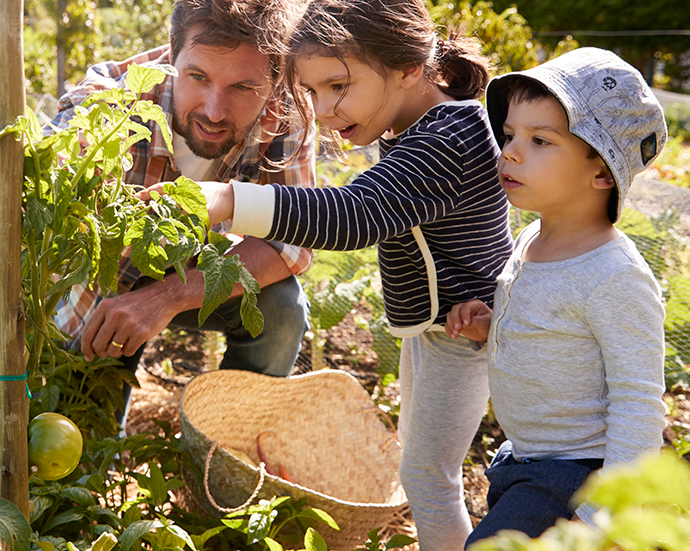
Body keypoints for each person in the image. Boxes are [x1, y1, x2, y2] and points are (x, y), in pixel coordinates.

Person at [145, 0, 515, 547]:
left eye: (337, 86)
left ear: (410, 67)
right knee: (425, 469)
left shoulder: (449, 139)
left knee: (428, 480)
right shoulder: (420, 124)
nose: (323, 110)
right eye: (312, 92)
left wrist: (227, 199)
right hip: (442, 330)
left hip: (465, 334)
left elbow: (354, 216)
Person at [0, 0, 316, 427]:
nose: (214, 109)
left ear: (275, 78)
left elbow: (290, 241)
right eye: (198, 76)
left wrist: (166, 297)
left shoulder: (287, 110)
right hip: (101, 291)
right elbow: (41, 173)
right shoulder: (113, 100)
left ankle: (230, 449)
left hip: (194, 268)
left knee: (282, 308)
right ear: (172, 55)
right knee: (80, 448)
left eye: (243, 87)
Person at [445, 48, 668, 547]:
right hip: (523, 459)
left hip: (575, 478)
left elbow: (638, 404)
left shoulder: (614, 276)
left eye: (540, 140)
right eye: (510, 135)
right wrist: (492, 324)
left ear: (603, 173)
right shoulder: (531, 240)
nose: (511, 152)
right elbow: (551, 329)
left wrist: (599, 515)